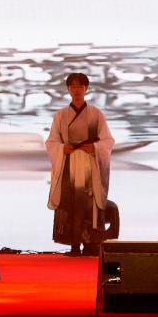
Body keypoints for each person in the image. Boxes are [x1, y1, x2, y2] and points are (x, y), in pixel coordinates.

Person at [46, 73, 114, 256]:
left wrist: (95, 147)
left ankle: (91, 244)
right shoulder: (61, 115)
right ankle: (73, 244)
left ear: (86, 89)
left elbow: (108, 140)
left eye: (80, 86)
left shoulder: (96, 114)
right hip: (69, 164)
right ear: (68, 89)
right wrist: (62, 148)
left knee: (89, 204)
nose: (76, 90)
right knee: (70, 203)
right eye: (73, 86)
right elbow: (51, 141)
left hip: (90, 164)